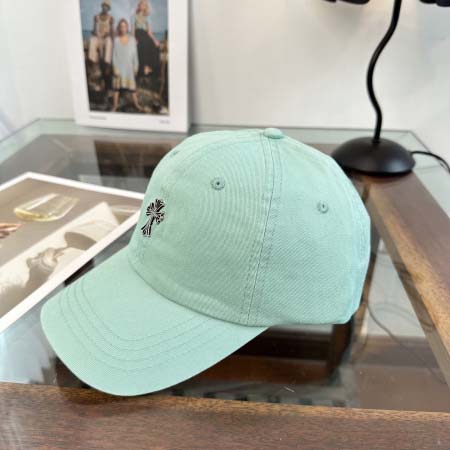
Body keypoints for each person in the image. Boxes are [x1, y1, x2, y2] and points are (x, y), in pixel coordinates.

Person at [112, 19, 143, 112]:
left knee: (132, 89)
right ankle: (115, 106)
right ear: (119, 28)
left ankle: (136, 104)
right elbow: (114, 56)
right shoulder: (116, 40)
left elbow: (135, 55)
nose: (123, 28)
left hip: (129, 68)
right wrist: (115, 68)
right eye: (121, 26)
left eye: (124, 26)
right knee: (116, 88)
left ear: (127, 28)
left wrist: (136, 66)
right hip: (119, 67)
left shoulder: (132, 40)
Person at [132, 0, 160, 78]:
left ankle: (149, 68)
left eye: (144, 5)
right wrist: (134, 38)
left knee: (154, 45)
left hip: (145, 34)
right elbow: (132, 31)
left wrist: (155, 40)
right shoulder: (133, 16)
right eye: (141, 4)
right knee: (143, 43)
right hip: (137, 34)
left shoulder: (147, 17)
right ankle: (143, 68)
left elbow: (149, 32)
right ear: (139, 5)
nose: (142, 6)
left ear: (145, 7)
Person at [88, 0, 114, 66]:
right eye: (104, 6)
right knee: (92, 39)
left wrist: (109, 32)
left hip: (106, 37)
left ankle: (107, 62)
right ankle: (92, 60)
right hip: (98, 37)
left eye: (107, 6)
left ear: (108, 8)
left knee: (109, 41)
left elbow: (112, 33)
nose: (105, 7)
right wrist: (94, 22)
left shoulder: (110, 18)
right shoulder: (97, 16)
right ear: (102, 6)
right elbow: (94, 32)